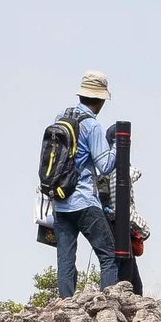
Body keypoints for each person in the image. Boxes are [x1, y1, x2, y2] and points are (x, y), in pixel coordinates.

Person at [50, 72, 120, 298]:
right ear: (100, 100)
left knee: (66, 260)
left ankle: (65, 306)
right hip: (84, 201)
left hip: (59, 200)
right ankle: (108, 304)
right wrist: (117, 144)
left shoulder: (61, 116)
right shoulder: (91, 125)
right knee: (109, 255)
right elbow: (105, 166)